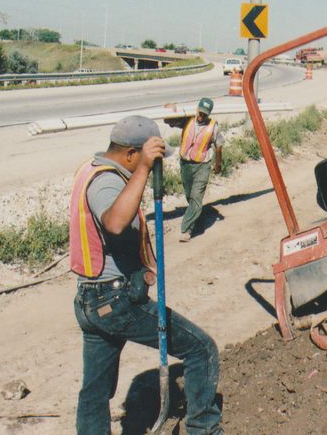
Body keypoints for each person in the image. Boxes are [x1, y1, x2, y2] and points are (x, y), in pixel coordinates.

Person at [69, 115, 222, 435]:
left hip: (91, 300)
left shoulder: (91, 169)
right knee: (201, 349)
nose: (153, 169)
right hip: (114, 301)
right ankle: (204, 429)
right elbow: (114, 223)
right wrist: (142, 171)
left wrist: (143, 266)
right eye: (149, 162)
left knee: (95, 391)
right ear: (130, 154)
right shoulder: (107, 181)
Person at [165, 98, 223, 242]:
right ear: (197, 109)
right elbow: (170, 122)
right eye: (200, 112)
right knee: (190, 195)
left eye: (205, 114)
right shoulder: (188, 120)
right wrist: (171, 110)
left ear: (209, 114)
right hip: (186, 164)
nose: (201, 116)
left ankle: (186, 229)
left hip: (202, 165)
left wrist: (218, 164)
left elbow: (219, 145)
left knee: (196, 197)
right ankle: (197, 216)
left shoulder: (213, 126)